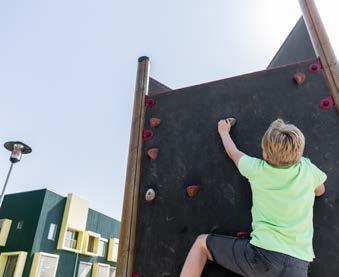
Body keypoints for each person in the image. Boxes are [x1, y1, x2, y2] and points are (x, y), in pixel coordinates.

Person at [180, 118, 327, 277]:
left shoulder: (257, 169)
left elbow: (233, 153)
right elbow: (320, 191)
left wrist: (223, 131)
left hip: (263, 257)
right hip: (299, 266)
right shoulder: (307, 169)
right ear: (299, 153)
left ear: (265, 154)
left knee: (202, 244)